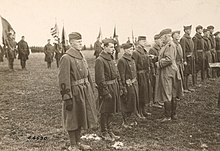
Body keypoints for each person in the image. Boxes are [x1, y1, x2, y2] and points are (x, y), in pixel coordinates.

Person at [58, 32, 97, 151]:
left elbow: (88, 73)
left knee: (81, 116)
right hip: (74, 92)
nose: (81, 43)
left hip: (84, 91)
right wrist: (67, 97)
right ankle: (73, 145)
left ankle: (79, 142)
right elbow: (63, 79)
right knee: (72, 117)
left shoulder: (81, 55)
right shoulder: (66, 58)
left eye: (81, 41)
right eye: (78, 42)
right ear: (71, 43)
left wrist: (91, 87)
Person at [95, 38, 121, 141]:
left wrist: (119, 87)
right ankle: (104, 132)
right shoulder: (100, 60)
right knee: (104, 111)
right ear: (104, 47)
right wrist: (105, 92)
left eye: (113, 47)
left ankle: (110, 130)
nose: (113, 49)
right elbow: (99, 79)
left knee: (111, 110)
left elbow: (116, 73)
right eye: (110, 47)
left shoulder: (111, 58)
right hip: (106, 88)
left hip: (114, 87)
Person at [155, 29, 180, 122]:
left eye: (162, 38)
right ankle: (173, 114)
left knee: (167, 93)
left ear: (166, 36)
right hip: (172, 72)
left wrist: (159, 63)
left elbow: (169, 59)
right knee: (172, 93)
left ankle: (167, 116)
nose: (161, 40)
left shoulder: (169, 45)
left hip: (167, 72)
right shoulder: (170, 44)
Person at [117, 43, 142, 128]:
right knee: (127, 102)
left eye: (131, 49)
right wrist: (123, 87)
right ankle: (125, 122)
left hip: (134, 84)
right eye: (128, 50)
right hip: (128, 85)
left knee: (134, 102)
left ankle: (131, 119)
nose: (130, 51)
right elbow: (121, 75)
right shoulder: (122, 60)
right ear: (124, 50)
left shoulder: (132, 59)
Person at [132, 36, 152, 118]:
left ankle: (144, 110)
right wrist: (136, 77)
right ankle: (139, 112)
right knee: (140, 93)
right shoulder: (136, 52)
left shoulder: (144, 51)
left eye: (145, 41)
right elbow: (134, 66)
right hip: (139, 75)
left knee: (145, 93)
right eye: (143, 41)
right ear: (139, 41)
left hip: (145, 75)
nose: (145, 42)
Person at [180, 25, 195, 93]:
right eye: (187, 30)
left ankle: (188, 87)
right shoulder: (183, 39)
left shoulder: (190, 38)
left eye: (190, 30)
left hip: (191, 58)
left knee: (188, 73)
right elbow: (182, 50)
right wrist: (184, 60)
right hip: (186, 58)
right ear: (185, 31)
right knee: (185, 73)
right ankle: (185, 88)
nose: (189, 31)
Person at [149, 34, 163, 108]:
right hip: (154, 69)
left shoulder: (160, 48)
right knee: (155, 86)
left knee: (158, 85)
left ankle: (158, 100)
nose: (161, 41)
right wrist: (153, 71)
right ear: (156, 40)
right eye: (159, 40)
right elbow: (151, 61)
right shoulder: (152, 49)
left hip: (159, 69)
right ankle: (155, 101)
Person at [172, 31, 184, 100]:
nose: (178, 36)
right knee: (175, 80)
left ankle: (179, 93)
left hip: (179, 64)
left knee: (180, 79)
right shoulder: (172, 44)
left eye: (179, 35)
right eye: (176, 35)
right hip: (175, 64)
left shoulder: (178, 44)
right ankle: (175, 95)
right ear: (173, 36)